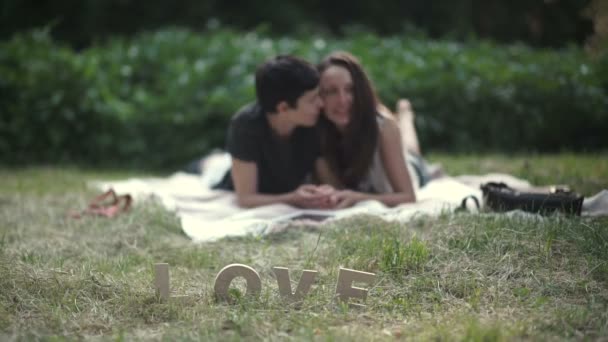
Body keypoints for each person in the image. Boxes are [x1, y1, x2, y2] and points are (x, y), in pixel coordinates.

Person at [213, 55, 335, 209]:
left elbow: (329, 180)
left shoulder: (313, 121)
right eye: (312, 99)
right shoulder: (246, 125)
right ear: (283, 108)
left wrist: (326, 191)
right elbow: (246, 198)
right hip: (237, 187)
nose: (321, 104)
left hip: (285, 190)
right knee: (208, 168)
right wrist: (293, 198)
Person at [315, 51, 432, 208]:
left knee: (411, 149)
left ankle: (405, 114)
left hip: (414, 169)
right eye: (331, 91)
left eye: (350, 89)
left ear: (361, 92)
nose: (342, 100)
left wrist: (358, 198)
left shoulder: (384, 128)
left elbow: (408, 197)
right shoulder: (316, 132)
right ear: (319, 97)